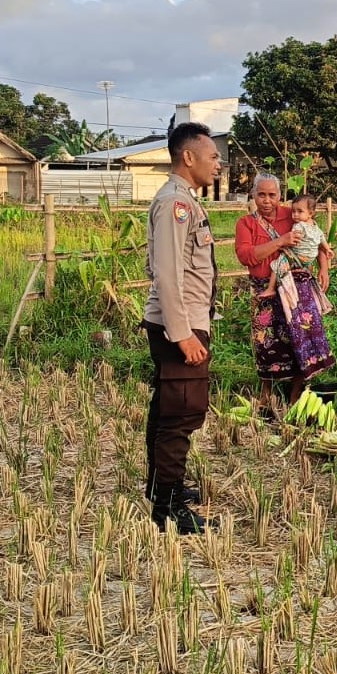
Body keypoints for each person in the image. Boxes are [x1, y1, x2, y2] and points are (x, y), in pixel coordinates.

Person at [142, 122, 222, 534]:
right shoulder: (176, 204)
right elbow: (168, 274)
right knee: (182, 412)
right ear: (187, 157)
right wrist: (183, 334)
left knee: (168, 408)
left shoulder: (184, 200)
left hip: (184, 320)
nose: (219, 164)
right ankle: (167, 506)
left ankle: (161, 487)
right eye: (213, 157)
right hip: (180, 325)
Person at [234, 174, 336, 418]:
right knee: (265, 341)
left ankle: (295, 394)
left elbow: (315, 239)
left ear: (280, 196)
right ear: (253, 195)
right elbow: (247, 256)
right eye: (261, 194)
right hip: (263, 287)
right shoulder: (245, 223)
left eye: (272, 195)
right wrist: (281, 241)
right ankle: (266, 394)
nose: (267, 200)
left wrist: (324, 268)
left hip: (296, 284)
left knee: (299, 337)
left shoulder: (293, 214)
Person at [256, 194, 334, 315]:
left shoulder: (298, 225)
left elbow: (291, 240)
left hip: (298, 258)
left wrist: (281, 243)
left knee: (278, 263)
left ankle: (270, 288)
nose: (295, 215)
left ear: (311, 213)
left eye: (299, 212)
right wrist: (328, 248)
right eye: (294, 211)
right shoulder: (314, 225)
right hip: (308, 260)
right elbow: (321, 238)